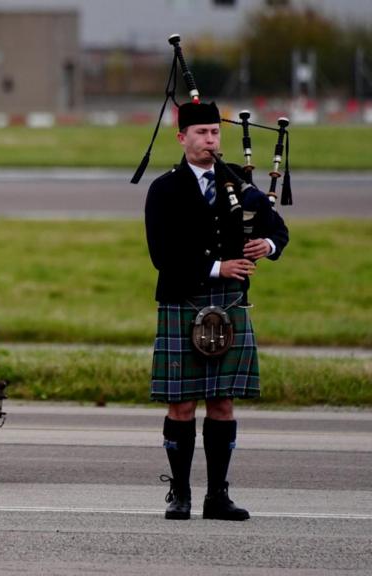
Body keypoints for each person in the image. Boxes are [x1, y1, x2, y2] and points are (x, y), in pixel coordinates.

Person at [144, 101, 289, 521]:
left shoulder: (237, 185)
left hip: (229, 303)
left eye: (215, 133)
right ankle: (180, 494)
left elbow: (276, 227)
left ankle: (218, 496)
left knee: (222, 403)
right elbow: (162, 254)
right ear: (182, 138)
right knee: (182, 405)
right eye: (202, 133)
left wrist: (270, 246)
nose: (210, 140)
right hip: (182, 300)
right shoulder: (165, 189)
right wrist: (217, 266)